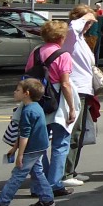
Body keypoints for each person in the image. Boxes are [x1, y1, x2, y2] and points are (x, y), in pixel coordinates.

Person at [0, 78, 56, 206]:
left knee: (17, 175)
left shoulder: (27, 111)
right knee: (38, 173)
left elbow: (25, 135)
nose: (14, 92)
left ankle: (2, 203)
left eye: (17, 90)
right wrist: (15, 147)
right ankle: (47, 199)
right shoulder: (36, 107)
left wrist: (20, 154)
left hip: (31, 148)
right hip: (39, 146)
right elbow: (24, 133)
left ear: (26, 93)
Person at [29, 19, 77, 196]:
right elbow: (65, 84)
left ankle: (39, 184)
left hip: (38, 100)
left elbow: (28, 76)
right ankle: (54, 184)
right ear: (61, 37)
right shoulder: (63, 55)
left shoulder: (35, 52)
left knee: (39, 145)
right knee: (60, 143)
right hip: (57, 102)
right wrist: (72, 107)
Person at [60, 4, 100, 186]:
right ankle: (65, 174)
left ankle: (71, 170)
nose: (89, 24)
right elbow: (72, 26)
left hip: (85, 90)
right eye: (87, 21)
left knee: (81, 132)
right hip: (76, 90)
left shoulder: (81, 39)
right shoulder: (71, 35)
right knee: (74, 132)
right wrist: (86, 17)